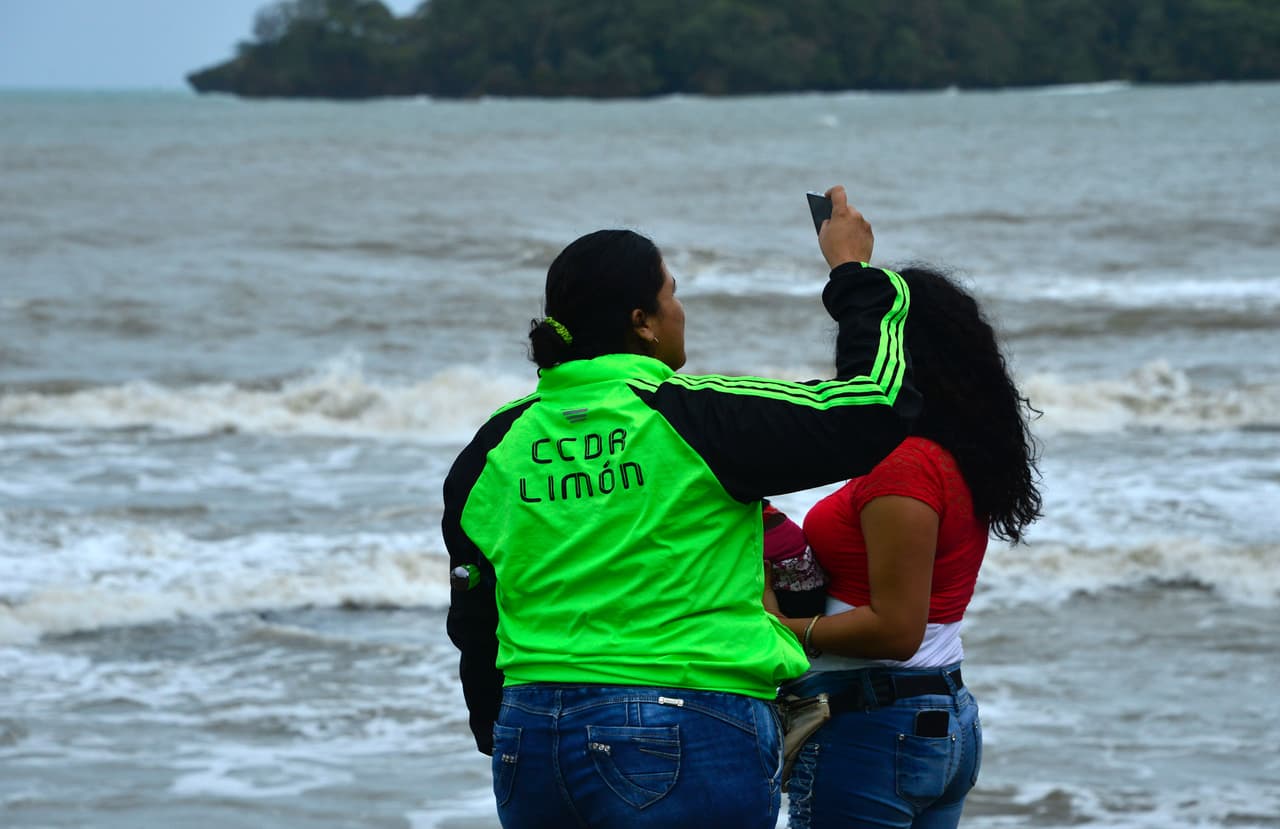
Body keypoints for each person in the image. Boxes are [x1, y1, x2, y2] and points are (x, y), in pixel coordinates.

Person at [443, 187, 921, 829]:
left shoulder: (492, 447)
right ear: (642, 320)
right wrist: (855, 275)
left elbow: (474, 609)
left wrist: (497, 732)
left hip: (531, 733)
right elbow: (875, 407)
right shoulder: (695, 415)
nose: (680, 310)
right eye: (673, 295)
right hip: (684, 723)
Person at [763, 264, 1043, 829]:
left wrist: (773, 629)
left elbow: (896, 630)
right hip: (925, 720)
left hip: (875, 724)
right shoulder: (954, 457)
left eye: (875, 339)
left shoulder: (907, 467)